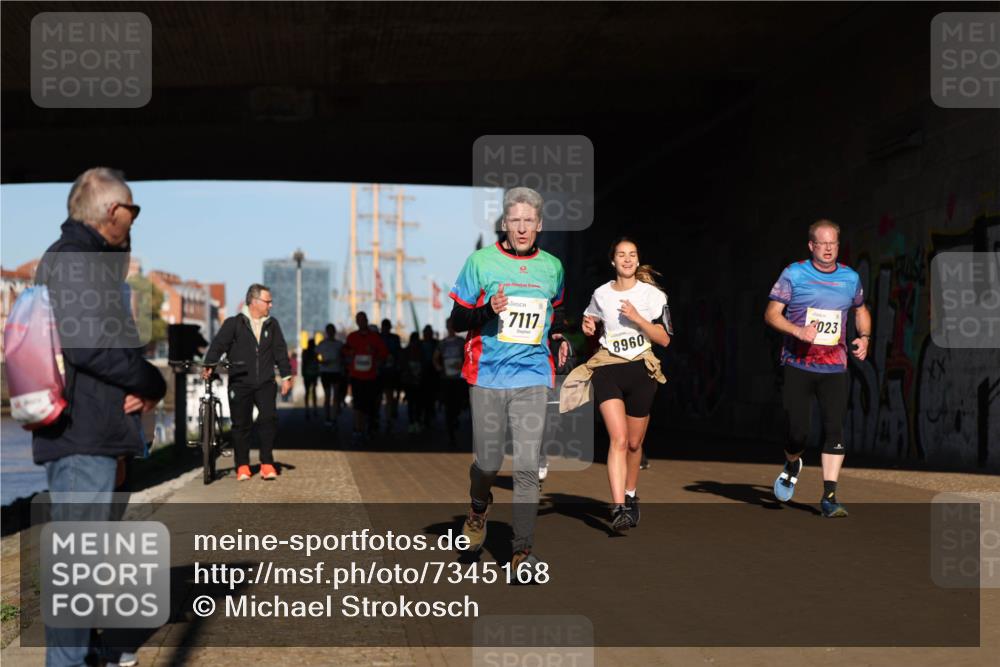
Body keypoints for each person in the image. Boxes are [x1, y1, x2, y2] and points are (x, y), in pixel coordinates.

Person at [32, 167, 166, 667]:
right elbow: (89, 346)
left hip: (92, 429)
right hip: (80, 436)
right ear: (113, 211)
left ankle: (87, 652)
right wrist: (149, 381)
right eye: (132, 209)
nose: (134, 219)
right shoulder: (74, 261)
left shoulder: (81, 258)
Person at [449, 186, 569, 571]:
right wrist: (486, 309)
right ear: (504, 223)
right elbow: (455, 322)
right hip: (486, 374)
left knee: (527, 466)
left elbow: (556, 313)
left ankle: (522, 550)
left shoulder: (552, 267)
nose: (521, 229)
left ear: (539, 225)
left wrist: (560, 335)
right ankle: (478, 507)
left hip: (533, 374)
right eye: (514, 221)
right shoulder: (480, 263)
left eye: (528, 222)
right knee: (487, 463)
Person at [765, 219, 870, 518]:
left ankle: (829, 496)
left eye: (833, 244)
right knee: (797, 433)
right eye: (822, 243)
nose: (828, 249)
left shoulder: (850, 278)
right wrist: (798, 332)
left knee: (834, 430)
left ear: (838, 245)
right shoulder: (794, 274)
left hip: (835, 366)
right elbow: (771, 314)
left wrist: (865, 337)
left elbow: (861, 309)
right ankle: (791, 462)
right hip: (798, 363)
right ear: (811, 245)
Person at [566, 238, 671, 532]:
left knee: (635, 444)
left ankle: (630, 493)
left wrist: (638, 318)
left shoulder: (652, 295)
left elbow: (664, 339)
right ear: (612, 261)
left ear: (638, 261)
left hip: (641, 371)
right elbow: (591, 325)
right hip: (608, 369)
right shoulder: (600, 294)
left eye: (632, 255)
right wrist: (589, 328)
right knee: (619, 440)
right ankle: (619, 508)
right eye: (621, 255)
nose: (627, 259)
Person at [203, 284, 293, 481]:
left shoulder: (272, 324)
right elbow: (219, 345)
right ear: (254, 302)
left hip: (266, 382)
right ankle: (242, 465)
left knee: (268, 420)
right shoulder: (234, 323)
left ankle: (267, 463)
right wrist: (209, 364)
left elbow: (280, 350)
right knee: (241, 425)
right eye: (267, 301)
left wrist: (286, 376)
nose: (271, 305)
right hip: (240, 382)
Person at [344, 311, 388, 442]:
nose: (361, 322)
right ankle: (358, 429)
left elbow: (384, 353)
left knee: (369, 405)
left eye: (363, 319)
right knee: (358, 405)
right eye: (359, 320)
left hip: (371, 377)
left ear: (367, 321)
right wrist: (350, 352)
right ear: (356, 322)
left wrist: (374, 353)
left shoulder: (374, 338)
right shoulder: (352, 337)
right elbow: (344, 351)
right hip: (356, 377)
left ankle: (369, 428)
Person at [435, 317, 468, 447]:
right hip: (447, 380)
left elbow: (468, 356)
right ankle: (451, 432)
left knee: (458, 404)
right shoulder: (442, 343)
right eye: (448, 325)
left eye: (452, 325)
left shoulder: (461, 342)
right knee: (448, 407)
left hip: (459, 380)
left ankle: (455, 418)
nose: (450, 328)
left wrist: (464, 367)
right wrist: (439, 368)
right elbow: (435, 357)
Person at [317, 323, 344, 425]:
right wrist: (321, 362)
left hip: (336, 371)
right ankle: (328, 417)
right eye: (329, 330)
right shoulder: (322, 344)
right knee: (327, 395)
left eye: (332, 330)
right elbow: (316, 355)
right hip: (326, 372)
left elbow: (343, 357)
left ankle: (334, 417)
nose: (330, 332)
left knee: (335, 395)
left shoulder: (339, 344)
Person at [378, 318, 403, 430]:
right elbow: (399, 353)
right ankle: (388, 417)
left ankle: (385, 418)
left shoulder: (378, 338)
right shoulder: (395, 338)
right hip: (388, 372)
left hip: (385, 372)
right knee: (388, 396)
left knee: (385, 396)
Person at [401, 331, 425, 433]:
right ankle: (415, 423)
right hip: (413, 382)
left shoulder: (408, 351)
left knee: (414, 404)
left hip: (413, 382)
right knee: (415, 403)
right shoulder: (420, 352)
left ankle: (414, 423)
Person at [419, 324, 440, 429]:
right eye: (425, 332)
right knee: (425, 397)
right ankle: (428, 415)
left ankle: (429, 414)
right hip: (424, 374)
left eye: (428, 332)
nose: (427, 334)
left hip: (432, 373)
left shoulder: (436, 344)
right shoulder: (421, 344)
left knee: (431, 396)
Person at [301, 338, 320, 419]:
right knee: (314, 392)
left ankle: (307, 409)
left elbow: (303, 364)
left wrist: (303, 374)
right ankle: (314, 409)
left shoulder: (305, 352)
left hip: (307, 375)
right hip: (314, 374)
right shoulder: (315, 353)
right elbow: (318, 363)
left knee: (307, 391)